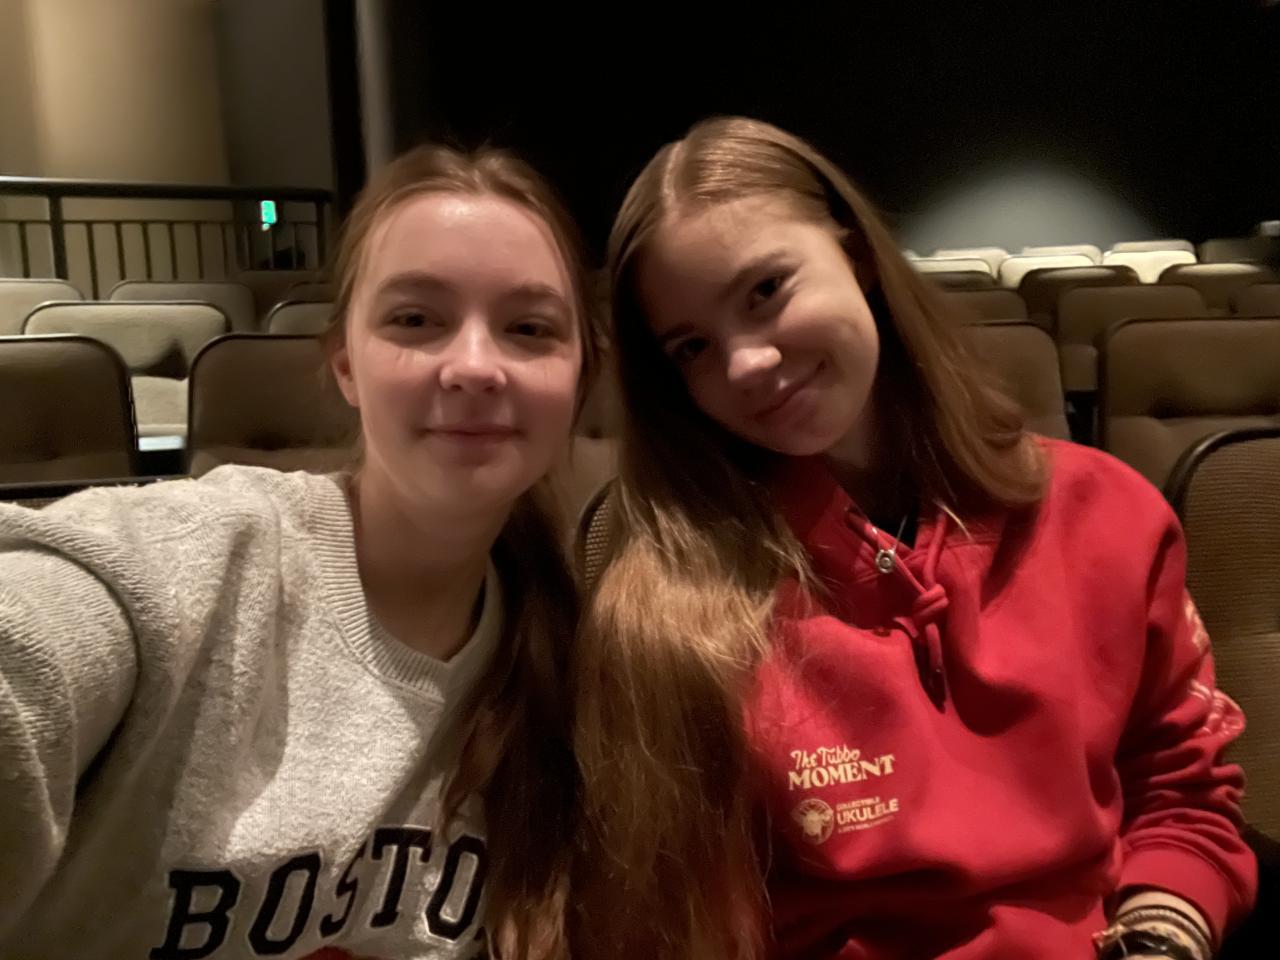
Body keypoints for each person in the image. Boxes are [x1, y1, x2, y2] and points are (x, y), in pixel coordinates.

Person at [572, 116, 1256, 960]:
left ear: (857, 255)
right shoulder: (665, 600)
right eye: (692, 347)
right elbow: (674, 915)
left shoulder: (1109, 511)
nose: (743, 364)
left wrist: (1159, 935)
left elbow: (1181, 794)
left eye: (766, 291)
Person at [0, 144, 599, 960]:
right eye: (415, 320)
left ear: (579, 381)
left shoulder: (576, 659)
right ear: (346, 365)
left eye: (529, 329)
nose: (473, 366)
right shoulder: (191, 562)